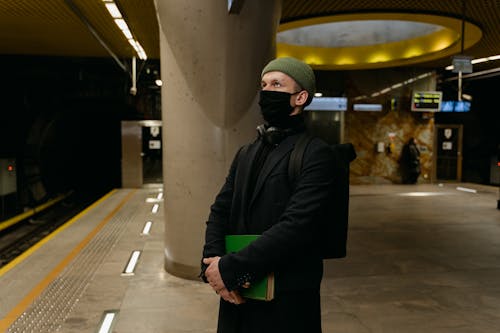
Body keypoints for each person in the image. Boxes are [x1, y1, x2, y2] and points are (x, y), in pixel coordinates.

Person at [200, 57, 335, 333]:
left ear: (301, 97)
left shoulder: (316, 154)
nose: (266, 91)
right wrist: (213, 262)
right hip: (238, 293)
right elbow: (221, 209)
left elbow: (297, 226)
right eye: (263, 84)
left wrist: (230, 268)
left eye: (276, 84)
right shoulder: (247, 151)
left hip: (286, 298)